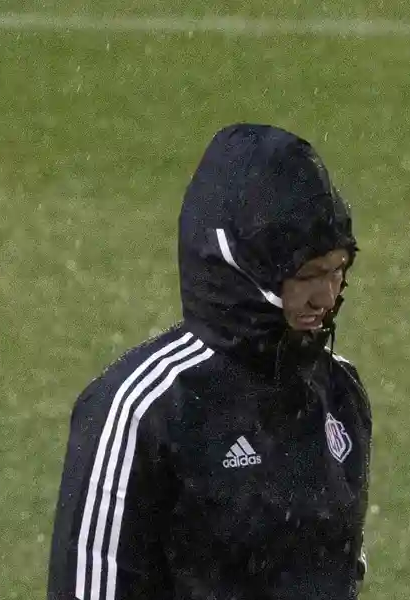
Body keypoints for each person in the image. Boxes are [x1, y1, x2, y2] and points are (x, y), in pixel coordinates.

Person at [47, 123, 372, 600]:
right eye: (305, 275)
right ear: (239, 267)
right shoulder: (141, 410)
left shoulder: (340, 393)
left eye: (337, 269)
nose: (325, 295)